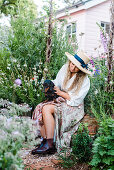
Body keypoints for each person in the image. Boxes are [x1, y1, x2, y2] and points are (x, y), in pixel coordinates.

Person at [31, 50, 91, 155]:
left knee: (46, 108)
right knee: (39, 107)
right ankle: (44, 141)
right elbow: (57, 82)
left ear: (81, 69)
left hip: (74, 107)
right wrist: (50, 84)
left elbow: (76, 99)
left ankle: (50, 145)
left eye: (76, 67)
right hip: (62, 101)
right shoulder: (65, 68)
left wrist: (60, 93)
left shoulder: (85, 80)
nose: (73, 67)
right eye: (72, 64)